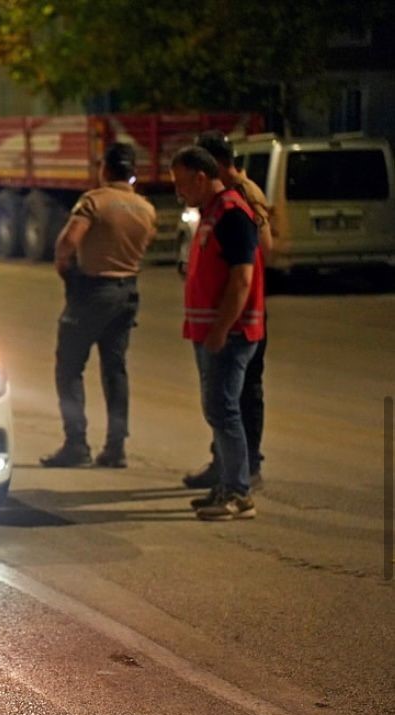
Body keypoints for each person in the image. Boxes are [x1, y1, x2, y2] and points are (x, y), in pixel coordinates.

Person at [41, 143, 157, 469]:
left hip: (93, 291)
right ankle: (116, 447)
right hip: (128, 292)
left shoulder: (94, 201)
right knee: (115, 370)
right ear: (132, 171)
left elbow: (68, 242)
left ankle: (76, 444)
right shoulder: (146, 209)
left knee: (69, 367)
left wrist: (66, 271)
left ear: (104, 168)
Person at [170, 146, 265, 521]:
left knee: (224, 410)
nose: (178, 192)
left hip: (232, 333)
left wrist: (221, 328)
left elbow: (243, 280)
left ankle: (239, 494)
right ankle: (227, 484)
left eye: (181, 184)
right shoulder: (210, 213)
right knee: (217, 409)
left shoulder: (231, 214)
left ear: (200, 178)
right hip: (211, 331)